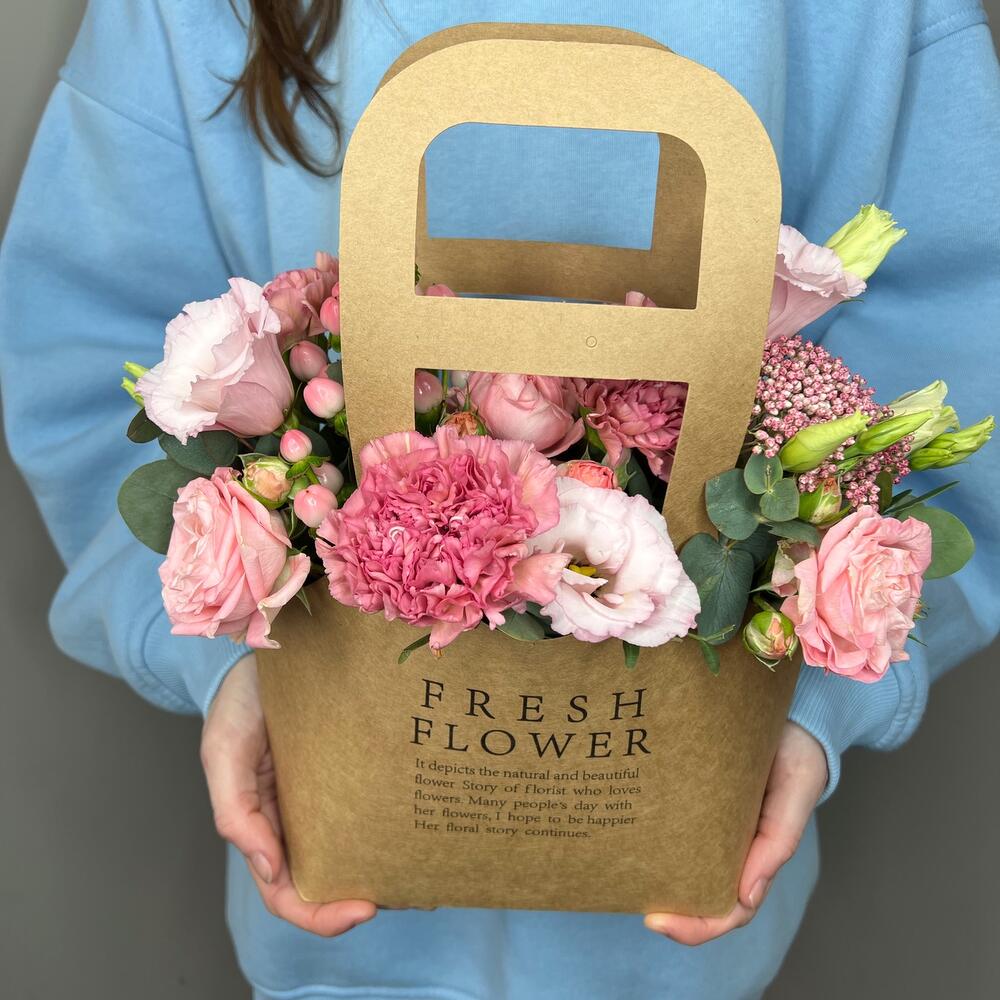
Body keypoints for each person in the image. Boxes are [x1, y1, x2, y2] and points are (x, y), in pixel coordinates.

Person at [1, 2, 997, 998]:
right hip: (337, 932)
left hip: (682, 934)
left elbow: (957, 361)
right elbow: (91, 351)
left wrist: (808, 703)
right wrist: (226, 661)